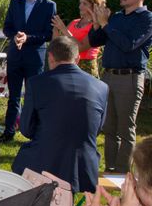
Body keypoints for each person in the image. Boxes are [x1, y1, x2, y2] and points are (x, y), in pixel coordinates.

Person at [11, 36, 108, 193]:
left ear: (50, 57)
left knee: (24, 159)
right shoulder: (101, 87)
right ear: (77, 58)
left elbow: (26, 129)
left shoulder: (37, 83)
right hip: (81, 167)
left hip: (43, 163)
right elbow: (96, 130)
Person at [88, 0, 152, 173]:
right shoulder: (116, 17)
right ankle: (110, 169)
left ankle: (123, 174)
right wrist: (97, 24)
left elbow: (128, 45)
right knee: (109, 128)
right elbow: (95, 40)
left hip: (129, 78)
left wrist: (106, 24)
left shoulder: (147, 19)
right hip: (109, 77)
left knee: (125, 128)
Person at [0, 0, 56, 143]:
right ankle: (8, 132)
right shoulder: (15, 3)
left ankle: (34, 134)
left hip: (34, 57)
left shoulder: (48, 5)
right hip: (15, 55)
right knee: (13, 96)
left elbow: (49, 34)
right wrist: (15, 35)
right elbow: (7, 27)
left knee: (33, 96)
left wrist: (28, 38)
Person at [52, 0, 106, 77]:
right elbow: (59, 44)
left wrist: (63, 29)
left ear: (94, 6)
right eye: (80, 3)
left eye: (84, 4)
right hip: (69, 64)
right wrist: (55, 28)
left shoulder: (96, 26)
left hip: (86, 67)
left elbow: (80, 48)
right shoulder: (74, 22)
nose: (80, 6)